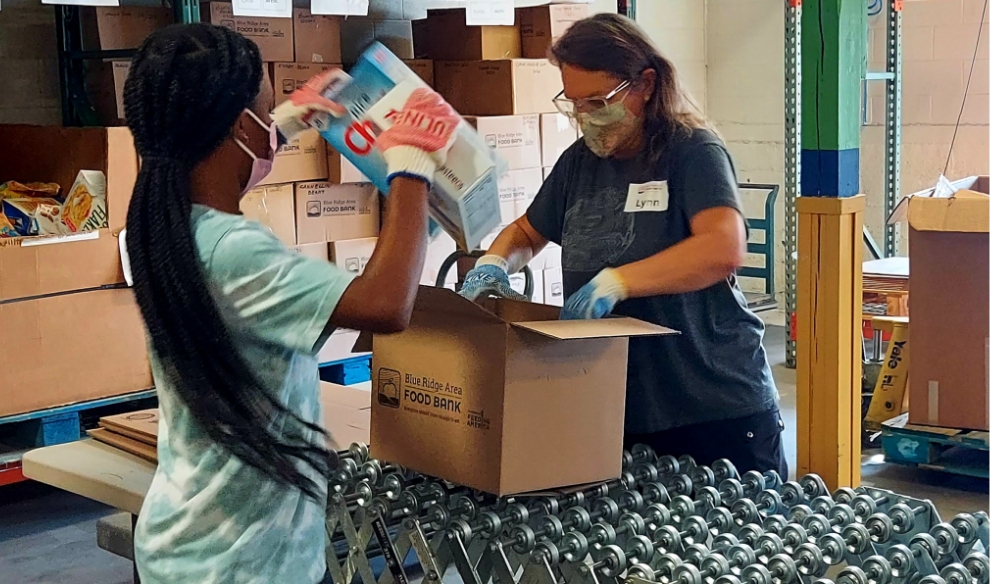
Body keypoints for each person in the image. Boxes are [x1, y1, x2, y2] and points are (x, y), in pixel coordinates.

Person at [123, 23, 457, 584]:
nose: (271, 122)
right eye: (264, 111)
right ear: (236, 128)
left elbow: (210, 176)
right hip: (245, 563)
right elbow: (385, 305)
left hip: (188, 545)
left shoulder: (159, 226)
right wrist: (411, 169)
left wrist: (277, 127)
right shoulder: (235, 251)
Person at [459, 14, 786, 477]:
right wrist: (493, 263)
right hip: (623, 409)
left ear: (645, 85)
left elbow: (722, 247)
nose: (585, 117)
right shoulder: (578, 164)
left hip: (712, 407)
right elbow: (527, 232)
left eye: (598, 101)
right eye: (574, 104)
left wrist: (617, 283)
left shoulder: (692, 151)